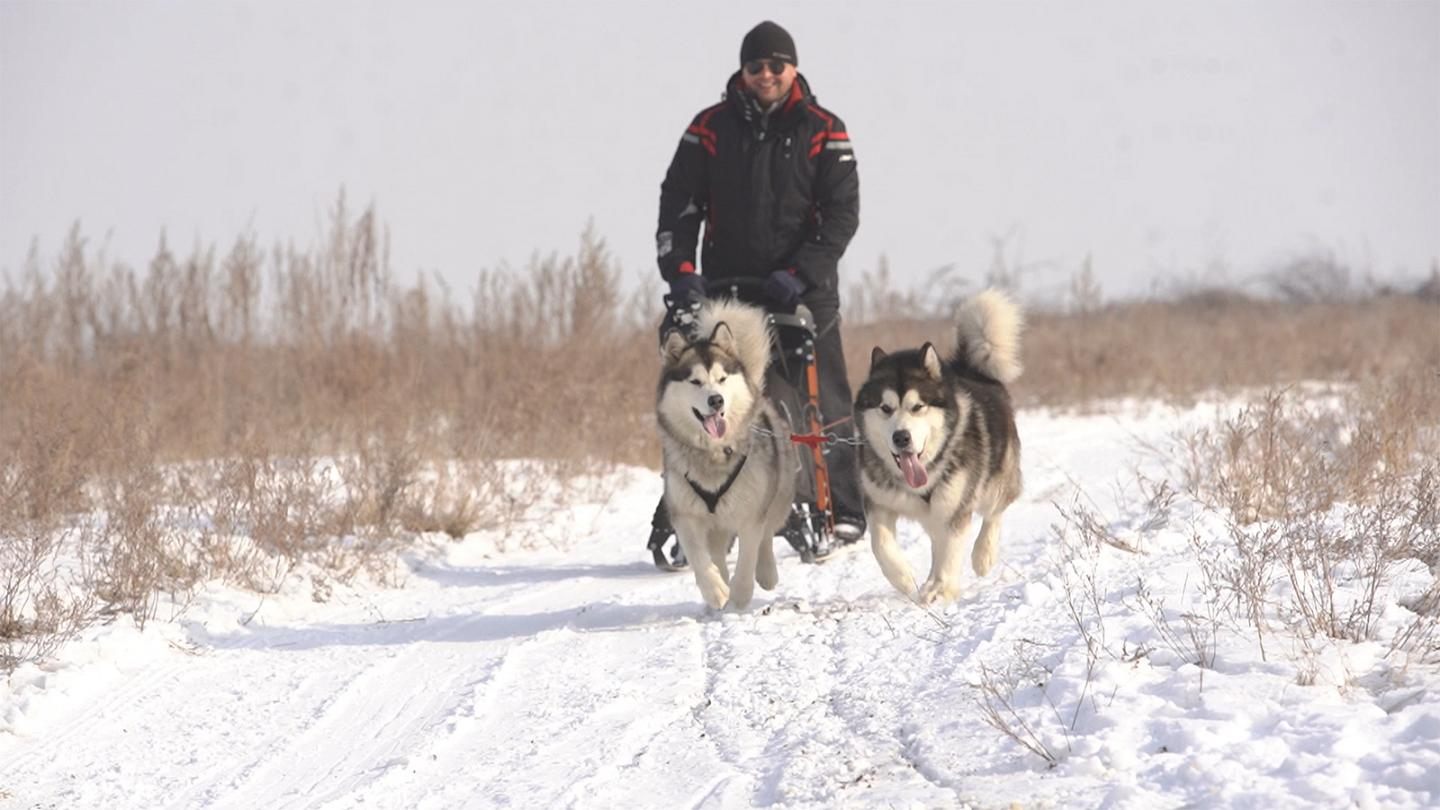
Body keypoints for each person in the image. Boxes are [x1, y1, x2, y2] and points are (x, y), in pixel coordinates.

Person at [646, 20, 866, 570]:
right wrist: (682, 273)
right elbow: (679, 199)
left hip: (800, 288)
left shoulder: (823, 128)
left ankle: (839, 505)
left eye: (776, 65)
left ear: (792, 68)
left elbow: (842, 214)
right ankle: (688, 513)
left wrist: (802, 270)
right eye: (755, 66)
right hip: (727, 287)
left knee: (817, 397)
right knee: (706, 396)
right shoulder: (711, 126)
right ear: (742, 71)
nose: (765, 75)